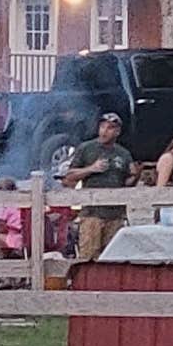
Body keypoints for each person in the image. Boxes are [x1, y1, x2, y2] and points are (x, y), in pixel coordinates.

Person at [60, 113, 134, 264]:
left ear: (117, 132)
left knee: (114, 258)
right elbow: (69, 176)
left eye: (110, 128)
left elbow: (127, 182)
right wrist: (92, 169)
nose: (105, 131)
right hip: (92, 214)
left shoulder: (124, 153)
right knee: (88, 257)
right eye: (102, 127)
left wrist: (136, 175)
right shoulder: (86, 148)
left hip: (116, 214)